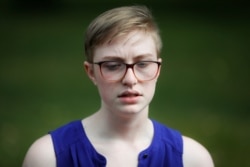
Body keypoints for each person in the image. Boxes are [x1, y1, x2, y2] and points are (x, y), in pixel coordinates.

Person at [22, 5, 214, 167]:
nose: (130, 79)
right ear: (91, 72)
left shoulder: (192, 159)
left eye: (143, 64)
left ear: (158, 69)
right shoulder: (48, 157)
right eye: (113, 66)